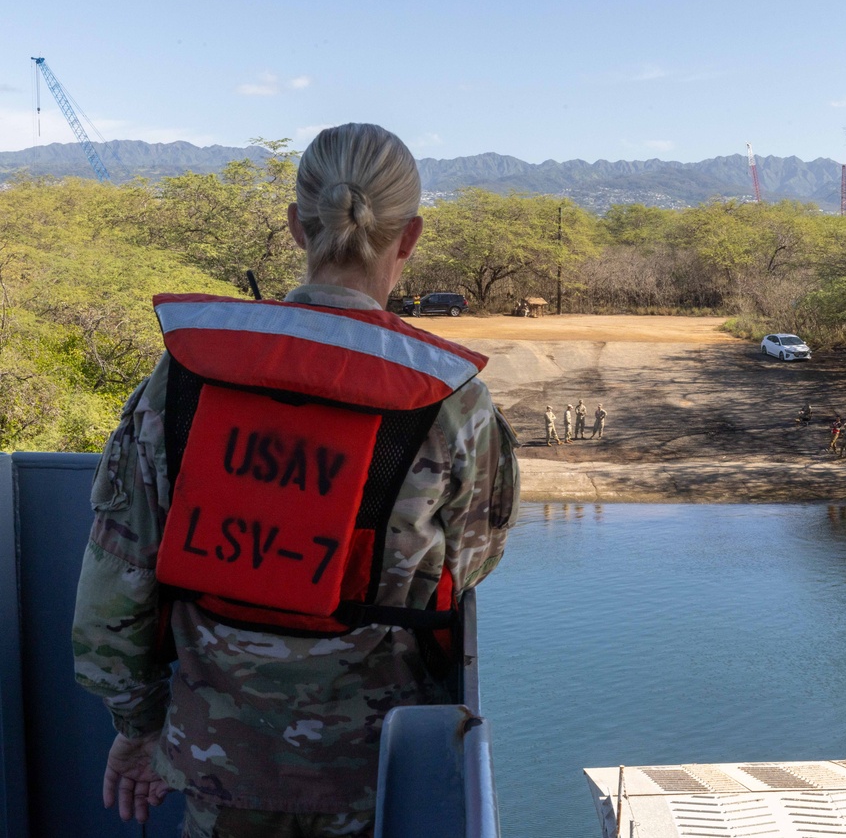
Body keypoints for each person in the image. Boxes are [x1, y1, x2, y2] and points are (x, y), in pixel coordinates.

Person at [72, 123, 520, 838]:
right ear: (409, 239)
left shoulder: (187, 374)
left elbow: (116, 582)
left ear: (293, 227)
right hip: (379, 770)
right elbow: (471, 564)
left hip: (217, 765)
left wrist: (138, 727)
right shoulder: (447, 397)